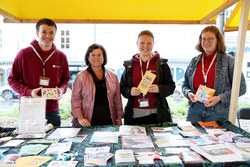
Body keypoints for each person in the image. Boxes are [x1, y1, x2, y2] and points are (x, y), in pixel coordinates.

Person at [8, 18, 70, 127]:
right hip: (29, 107)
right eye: (44, 32)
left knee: (54, 141)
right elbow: (12, 79)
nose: (48, 35)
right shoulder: (23, 54)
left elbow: (65, 79)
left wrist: (61, 90)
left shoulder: (61, 56)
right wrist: (29, 92)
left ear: (55, 34)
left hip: (52, 109)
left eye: (51, 32)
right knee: (29, 142)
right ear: (37, 33)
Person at [182, 26, 246, 123]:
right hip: (195, 110)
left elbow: (241, 88)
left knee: (219, 138)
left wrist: (219, 98)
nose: (206, 42)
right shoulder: (194, 61)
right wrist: (188, 93)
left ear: (218, 41)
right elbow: (184, 85)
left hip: (219, 111)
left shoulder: (229, 61)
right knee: (189, 137)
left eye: (210, 39)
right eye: (203, 39)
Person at [120, 30, 175, 125]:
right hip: (134, 113)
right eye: (142, 43)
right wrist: (130, 91)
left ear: (153, 44)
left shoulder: (162, 64)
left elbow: (171, 87)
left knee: (158, 140)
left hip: (157, 113)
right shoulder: (129, 65)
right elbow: (122, 88)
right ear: (137, 43)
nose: (145, 46)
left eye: (149, 43)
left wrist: (159, 89)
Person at [71, 43, 123, 127]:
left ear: (103, 57)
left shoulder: (113, 76)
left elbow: (117, 99)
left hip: (109, 121)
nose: (96, 58)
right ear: (88, 58)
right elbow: (75, 99)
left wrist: (119, 118)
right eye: (93, 55)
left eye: (99, 55)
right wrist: (80, 117)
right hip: (87, 122)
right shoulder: (80, 76)